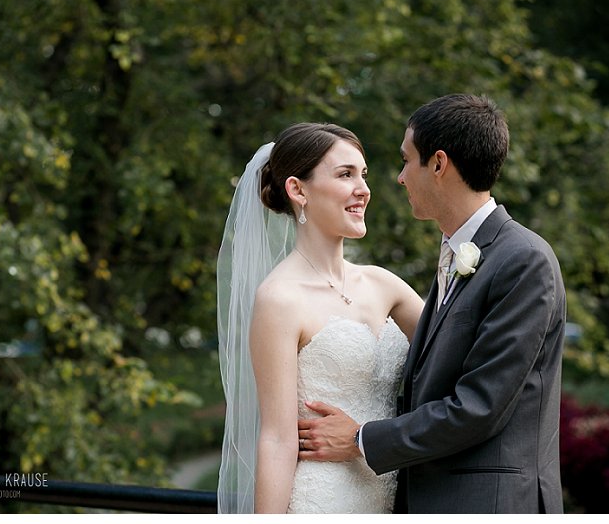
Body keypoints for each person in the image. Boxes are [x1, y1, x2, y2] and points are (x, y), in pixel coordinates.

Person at [297, 94, 566, 513]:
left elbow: (479, 406)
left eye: (407, 161)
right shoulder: (457, 255)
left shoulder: (523, 260)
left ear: (438, 164)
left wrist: (359, 439)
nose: (400, 178)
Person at [216, 123, 424, 513]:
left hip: (393, 500)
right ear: (298, 190)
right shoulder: (279, 299)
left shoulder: (386, 286)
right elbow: (277, 439)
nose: (363, 189)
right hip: (321, 501)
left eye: (363, 175)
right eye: (345, 174)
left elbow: (457, 354)